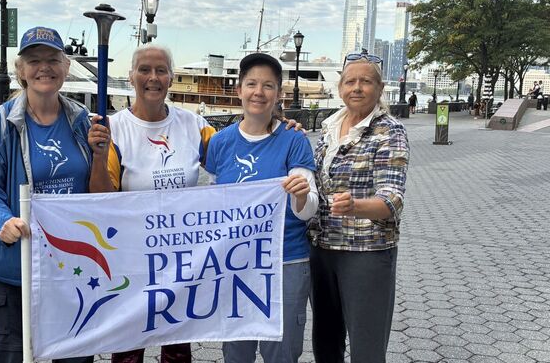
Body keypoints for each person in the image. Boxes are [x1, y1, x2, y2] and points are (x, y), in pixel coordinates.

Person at [0, 26, 95, 363]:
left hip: (71, 267)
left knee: (76, 357)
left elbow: (97, 189)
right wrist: (2, 221)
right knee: (15, 356)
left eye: (53, 59)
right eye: (35, 60)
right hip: (17, 268)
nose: (45, 67)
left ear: (66, 68)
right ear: (21, 71)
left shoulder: (82, 122)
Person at [87, 44, 213, 363]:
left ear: (171, 78)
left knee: (178, 348)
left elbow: (235, 153)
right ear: (131, 77)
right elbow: (101, 201)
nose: (153, 78)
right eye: (144, 70)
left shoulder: (194, 125)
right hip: (133, 258)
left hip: (180, 257)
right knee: (128, 349)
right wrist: (99, 159)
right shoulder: (114, 129)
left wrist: (275, 128)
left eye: (161, 71)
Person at [204, 53, 318, 363]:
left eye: (268, 85)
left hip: (286, 261)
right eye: (251, 83)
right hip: (234, 262)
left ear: (279, 94)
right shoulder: (219, 143)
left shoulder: (294, 140)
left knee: (281, 350)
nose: (259, 92)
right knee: (236, 350)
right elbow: (215, 202)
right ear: (238, 90)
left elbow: (308, 209)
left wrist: (300, 196)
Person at [308, 51, 410, 363]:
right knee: (325, 343)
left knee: (366, 347)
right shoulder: (330, 127)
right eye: (350, 81)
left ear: (380, 89)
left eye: (366, 81)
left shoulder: (389, 131)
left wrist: (356, 206)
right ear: (340, 88)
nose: (357, 87)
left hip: (366, 252)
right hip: (321, 248)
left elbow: (392, 199)